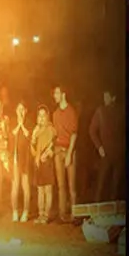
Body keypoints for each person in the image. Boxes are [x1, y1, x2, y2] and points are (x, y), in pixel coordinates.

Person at [89, 89, 124, 202]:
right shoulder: (101, 111)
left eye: (107, 96)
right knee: (101, 183)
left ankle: (114, 211)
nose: (105, 99)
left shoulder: (121, 111)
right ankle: (97, 209)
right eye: (104, 96)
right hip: (106, 153)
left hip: (118, 153)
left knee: (115, 185)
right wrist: (99, 147)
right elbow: (92, 130)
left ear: (113, 98)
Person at [51, 86, 79, 222]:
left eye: (56, 93)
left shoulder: (71, 111)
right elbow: (55, 134)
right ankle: (62, 215)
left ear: (63, 94)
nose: (54, 95)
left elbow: (74, 134)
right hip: (58, 151)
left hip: (69, 151)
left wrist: (69, 154)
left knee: (71, 186)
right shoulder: (55, 113)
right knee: (61, 186)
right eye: (54, 93)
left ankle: (74, 214)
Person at [30, 105, 58, 223]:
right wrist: (33, 138)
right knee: (40, 190)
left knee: (48, 189)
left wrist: (46, 154)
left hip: (47, 163)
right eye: (39, 115)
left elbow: (54, 143)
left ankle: (46, 215)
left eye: (43, 115)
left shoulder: (51, 129)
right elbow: (32, 148)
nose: (41, 118)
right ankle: (40, 214)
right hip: (38, 163)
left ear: (47, 116)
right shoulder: (36, 130)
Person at [9, 102, 32, 221]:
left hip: (25, 159)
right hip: (14, 160)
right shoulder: (13, 121)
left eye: (22, 109)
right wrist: (18, 125)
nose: (20, 111)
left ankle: (26, 212)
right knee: (15, 186)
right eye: (18, 108)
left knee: (25, 186)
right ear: (15, 110)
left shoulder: (29, 123)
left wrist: (22, 125)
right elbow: (12, 134)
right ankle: (15, 211)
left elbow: (28, 135)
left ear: (25, 111)